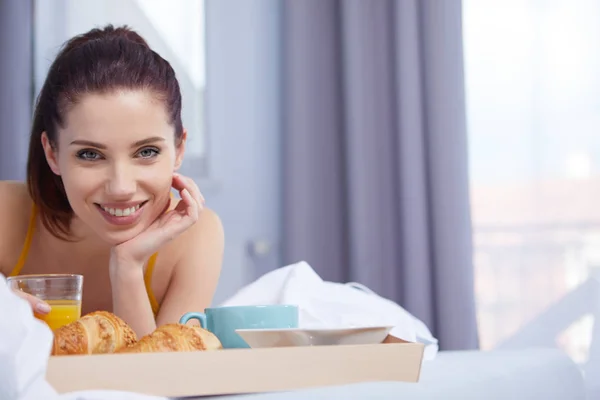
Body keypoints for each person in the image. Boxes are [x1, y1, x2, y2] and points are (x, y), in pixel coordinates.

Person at [0, 25, 224, 338]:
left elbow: (163, 381)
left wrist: (128, 267)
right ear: (52, 152)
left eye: (146, 151)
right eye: (90, 155)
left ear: (179, 149)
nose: (121, 187)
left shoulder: (195, 237)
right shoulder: (6, 214)